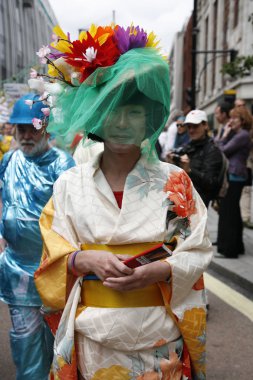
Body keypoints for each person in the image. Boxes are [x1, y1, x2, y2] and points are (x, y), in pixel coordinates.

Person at [33, 24, 213, 380]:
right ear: (96, 115)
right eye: (111, 110)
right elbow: (51, 254)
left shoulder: (174, 181)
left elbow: (198, 247)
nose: (120, 122)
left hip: (159, 337)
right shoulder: (70, 184)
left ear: (149, 118)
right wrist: (83, 259)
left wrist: (161, 270)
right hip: (94, 339)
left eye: (133, 111)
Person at [0, 93, 75, 379]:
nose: (27, 135)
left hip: (53, 270)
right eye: (21, 129)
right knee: (24, 339)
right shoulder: (9, 159)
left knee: (55, 341)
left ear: (46, 128)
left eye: (33, 128)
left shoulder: (62, 163)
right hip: (17, 270)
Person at [167, 109, 224, 207]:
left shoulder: (212, 150)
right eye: (189, 127)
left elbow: (212, 184)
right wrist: (171, 161)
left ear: (205, 125)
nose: (192, 130)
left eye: (195, 126)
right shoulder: (188, 146)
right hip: (180, 199)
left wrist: (189, 170)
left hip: (198, 204)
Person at [216, 106, 252, 258]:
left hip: (234, 176)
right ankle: (237, 246)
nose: (231, 121)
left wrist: (223, 135)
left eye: (234, 118)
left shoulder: (242, 135)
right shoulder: (239, 134)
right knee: (234, 212)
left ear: (242, 121)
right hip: (236, 176)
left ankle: (230, 250)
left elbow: (221, 150)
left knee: (229, 212)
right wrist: (223, 134)